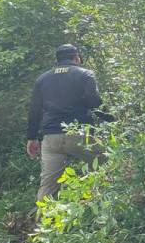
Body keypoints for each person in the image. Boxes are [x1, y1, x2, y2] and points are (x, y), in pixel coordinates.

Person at [26, 44, 102, 202]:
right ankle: (101, 214)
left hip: (51, 138)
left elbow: (34, 110)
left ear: (57, 60)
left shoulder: (42, 79)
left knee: (48, 186)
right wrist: (112, 121)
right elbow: (95, 104)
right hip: (79, 135)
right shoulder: (86, 75)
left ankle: (42, 223)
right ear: (76, 58)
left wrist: (32, 137)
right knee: (105, 168)